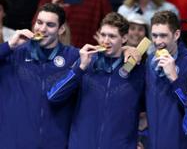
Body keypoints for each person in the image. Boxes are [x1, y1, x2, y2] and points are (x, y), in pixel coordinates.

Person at [47, 12, 145, 149]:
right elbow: (54, 97)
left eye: (112, 36)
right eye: (103, 34)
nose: (106, 40)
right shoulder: (85, 63)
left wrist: (140, 139)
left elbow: (149, 110)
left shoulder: (138, 71)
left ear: (124, 38)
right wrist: (80, 68)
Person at [0, 3, 79, 148]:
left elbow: (109, 61)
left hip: (54, 144)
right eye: (39, 22)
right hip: (13, 143)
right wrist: (9, 45)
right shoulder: (14, 53)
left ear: (61, 29)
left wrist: (126, 50)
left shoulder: (73, 57)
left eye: (50, 25)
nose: (42, 29)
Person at [145, 10, 187, 149]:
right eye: (154, 35)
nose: (158, 41)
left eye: (163, 36)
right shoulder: (149, 60)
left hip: (182, 144)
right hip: (154, 142)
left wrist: (174, 78)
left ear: (176, 34)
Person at [37, 0, 112, 47]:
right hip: (54, 54)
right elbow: (37, 24)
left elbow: (110, 27)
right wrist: (53, 8)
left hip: (86, 55)